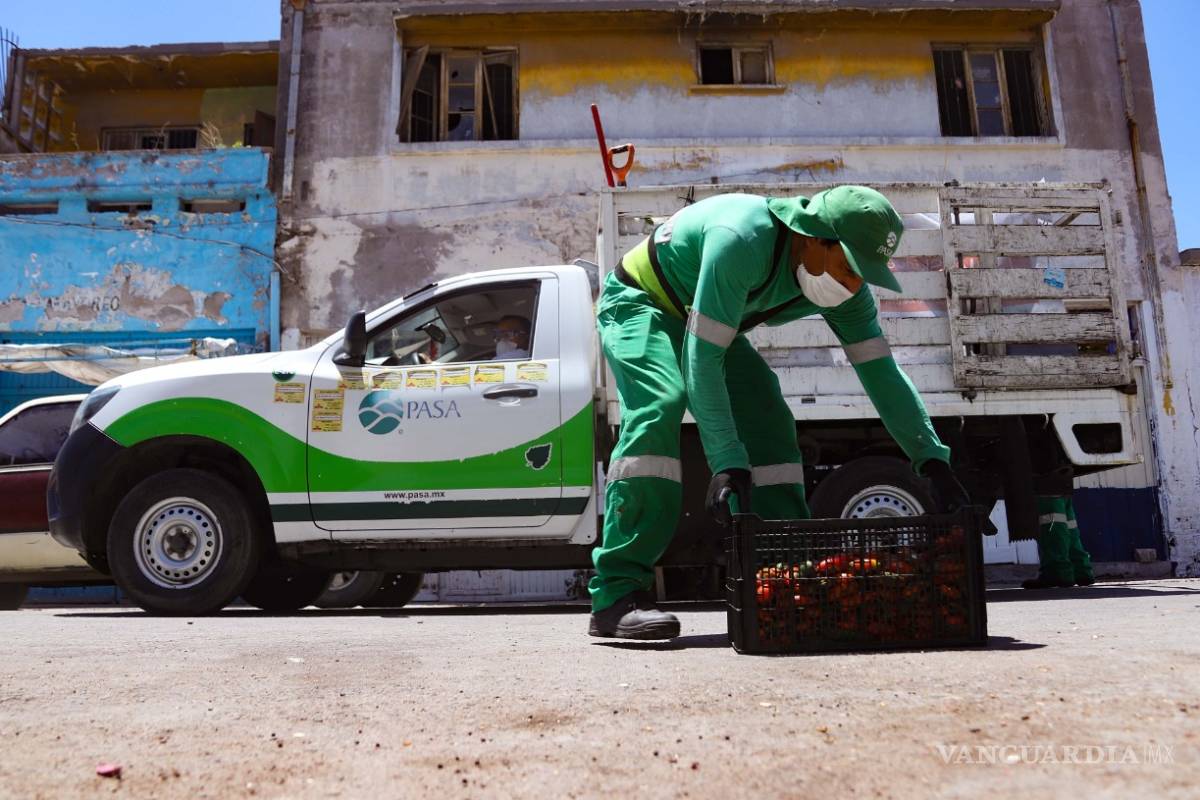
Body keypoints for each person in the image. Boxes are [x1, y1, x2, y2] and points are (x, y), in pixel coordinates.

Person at [589, 186, 973, 640]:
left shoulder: (845, 293)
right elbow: (702, 360)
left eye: (863, 274)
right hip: (642, 303)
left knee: (768, 419)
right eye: (849, 266)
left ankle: (783, 575)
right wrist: (727, 460)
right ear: (813, 236)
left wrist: (933, 461)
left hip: (704, 316)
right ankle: (618, 593)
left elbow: (882, 375)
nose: (853, 284)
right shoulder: (741, 241)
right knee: (661, 405)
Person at [1022, 494, 1095, 589]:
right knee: (1067, 522)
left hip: (1046, 488)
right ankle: (1080, 571)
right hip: (1061, 488)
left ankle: (1057, 572)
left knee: (1051, 520)